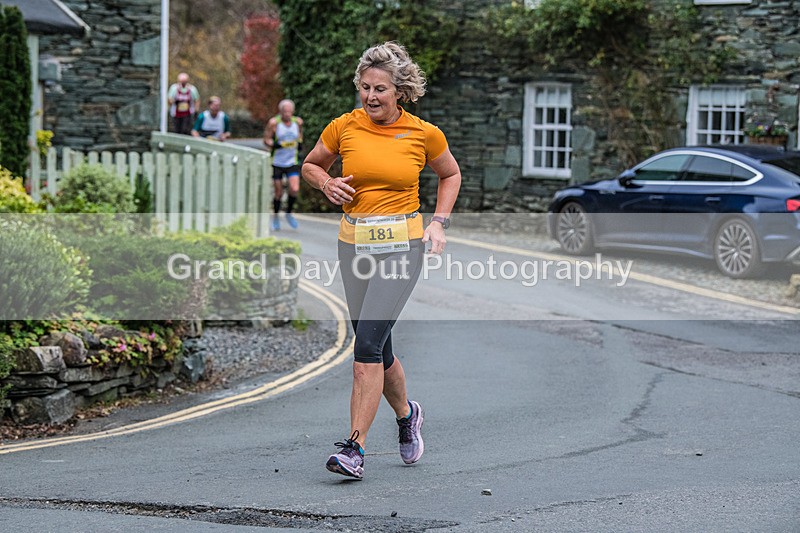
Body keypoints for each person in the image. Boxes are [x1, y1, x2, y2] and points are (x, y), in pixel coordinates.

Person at [302, 42, 462, 480]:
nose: (371, 97)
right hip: (353, 246)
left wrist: (438, 222)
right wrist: (325, 183)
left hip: (402, 246)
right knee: (380, 346)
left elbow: (450, 174)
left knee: (366, 347)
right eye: (365, 88)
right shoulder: (343, 127)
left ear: (401, 91)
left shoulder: (424, 134)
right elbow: (311, 165)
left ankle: (354, 448)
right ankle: (408, 414)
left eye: (381, 89)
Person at [264, 99, 304, 230]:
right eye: (284, 111)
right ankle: (275, 216)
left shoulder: (297, 122)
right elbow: (266, 140)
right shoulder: (274, 123)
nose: (287, 114)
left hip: (292, 161)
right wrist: (275, 144)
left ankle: (288, 212)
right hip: (277, 162)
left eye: (289, 111)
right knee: (278, 192)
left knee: (294, 188)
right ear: (280, 112)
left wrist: (299, 144)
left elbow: (300, 136)